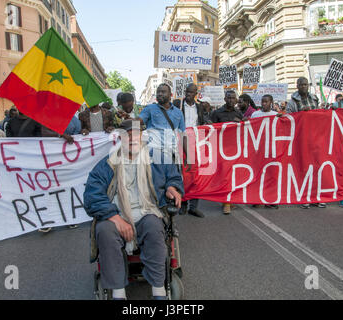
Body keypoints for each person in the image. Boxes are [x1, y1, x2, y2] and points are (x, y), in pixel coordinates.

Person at [83, 119, 184, 300]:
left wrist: (172, 187)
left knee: (154, 227)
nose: (132, 139)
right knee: (104, 230)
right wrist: (115, 218)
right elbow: (92, 195)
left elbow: (173, 177)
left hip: (147, 210)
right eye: (126, 135)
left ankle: (159, 291)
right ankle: (118, 293)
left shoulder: (157, 158)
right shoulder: (108, 164)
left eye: (135, 134)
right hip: (117, 213)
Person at [179, 83, 210, 218]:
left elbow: (202, 121)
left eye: (191, 92)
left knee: (196, 174)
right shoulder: (178, 105)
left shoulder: (199, 107)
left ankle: (194, 206)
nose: (188, 94)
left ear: (195, 94)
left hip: (196, 143)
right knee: (184, 173)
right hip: (181, 142)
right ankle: (183, 203)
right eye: (187, 92)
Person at [211, 90, 243, 215]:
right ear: (225, 99)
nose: (230, 100)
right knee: (225, 175)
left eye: (233, 98)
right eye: (228, 98)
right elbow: (211, 128)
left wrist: (241, 122)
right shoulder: (217, 113)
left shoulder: (238, 113)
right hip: (221, 148)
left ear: (236, 100)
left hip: (235, 148)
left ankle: (230, 200)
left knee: (233, 175)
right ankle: (226, 202)